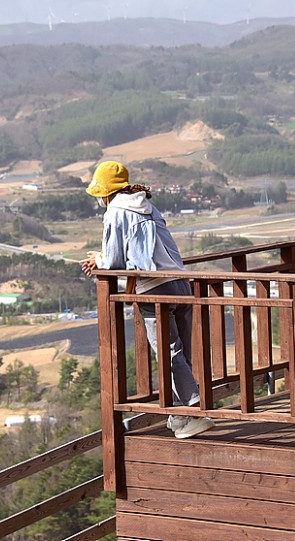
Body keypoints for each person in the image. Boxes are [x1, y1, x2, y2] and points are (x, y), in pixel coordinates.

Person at [80, 161, 214, 439]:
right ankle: (180, 416)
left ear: (105, 192)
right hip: (180, 283)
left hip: (154, 288)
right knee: (182, 353)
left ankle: (195, 410)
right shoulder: (147, 206)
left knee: (169, 353)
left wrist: (98, 259)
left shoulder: (115, 212)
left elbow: (115, 260)